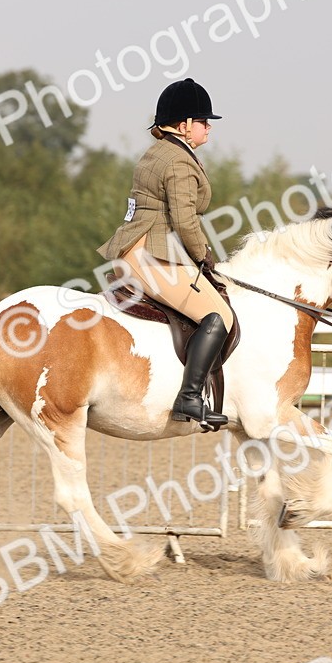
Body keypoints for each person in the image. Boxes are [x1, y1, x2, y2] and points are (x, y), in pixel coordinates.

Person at [97, 78, 234, 428]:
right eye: (203, 121)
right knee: (218, 315)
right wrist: (203, 254)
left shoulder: (159, 152)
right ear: (184, 124)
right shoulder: (178, 161)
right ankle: (189, 397)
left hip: (140, 248)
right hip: (150, 254)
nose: (208, 128)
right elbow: (185, 220)